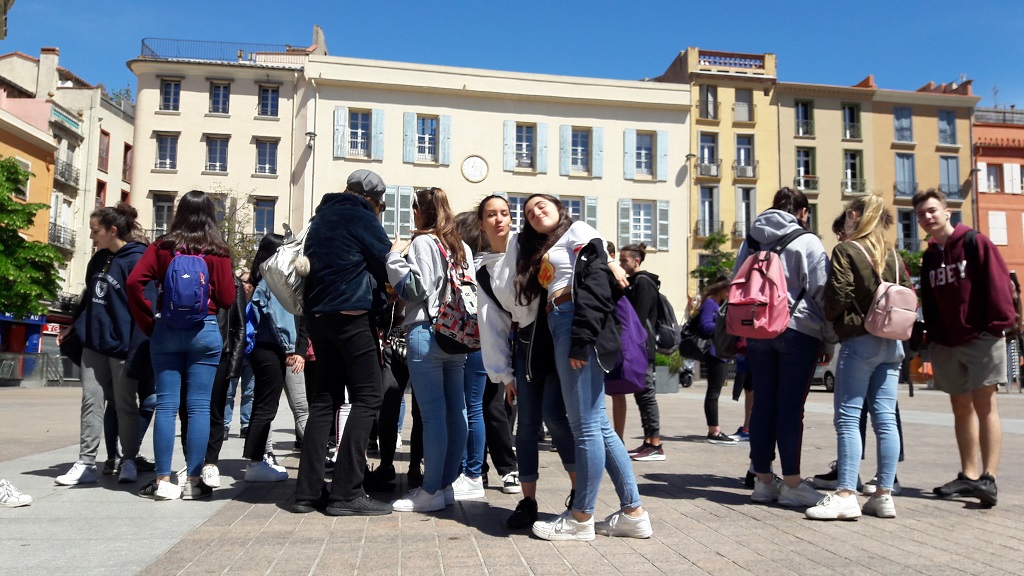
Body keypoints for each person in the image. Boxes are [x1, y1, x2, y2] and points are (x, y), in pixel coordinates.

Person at [515, 194, 652, 541]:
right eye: (528, 212)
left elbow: (595, 282)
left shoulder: (576, 230)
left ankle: (581, 517)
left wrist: (581, 338)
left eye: (542, 205)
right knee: (599, 426)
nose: (535, 212)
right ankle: (633, 513)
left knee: (585, 427)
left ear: (560, 208)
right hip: (562, 321)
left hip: (571, 319)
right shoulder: (555, 242)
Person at [291, 169, 393, 516]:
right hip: (351, 315)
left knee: (324, 400)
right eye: (380, 204)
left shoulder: (320, 217)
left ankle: (306, 493)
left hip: (318, 317)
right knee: (369, 396)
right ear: (372, 200)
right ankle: (347, 492)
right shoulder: (361, 217)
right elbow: (386, 262)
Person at [806, 194, 911, 521]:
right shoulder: (893, 253)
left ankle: (845, 495)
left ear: (854, 215)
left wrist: (833, 317)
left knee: (848, 418)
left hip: (860, 340)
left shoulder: (847, 249)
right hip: (892, 344)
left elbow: (837, 295)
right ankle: (883, 495)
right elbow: (909, 293)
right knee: (885, 419)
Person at [126, 190, 235, 501]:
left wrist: (148, 321)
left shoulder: (162, 246)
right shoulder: (218, 251)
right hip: (205, 330)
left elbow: (134, 283)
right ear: (211, 215)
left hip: (166, 330)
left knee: (166, 405)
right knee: (199, 407)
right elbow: (228, 299)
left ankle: (162, 480)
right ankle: (194, 480)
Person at [475, 195, 577, 528]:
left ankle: (579, 494)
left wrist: (611, 261)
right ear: (481, 223)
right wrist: (503, 374)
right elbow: (492, 324)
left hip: (555, 333)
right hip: (527, 344)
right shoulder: (484, 271)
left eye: (504, 213)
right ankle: (528, 500)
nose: (499, 219)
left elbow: (574, 242)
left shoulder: (527, 243)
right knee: (527, 424)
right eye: (491, 214)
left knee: (555, 417)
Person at [914, 188, 1012, 507]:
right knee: (960, 406)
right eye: (921, 214)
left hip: (982, 337)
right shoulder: (930, 256)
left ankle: (988, 478)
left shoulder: (974, 242)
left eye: (932, 210)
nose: (927, 217)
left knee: (985, 405)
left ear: (947, 212)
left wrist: (996, 326)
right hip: (947, 341)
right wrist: (933, 335)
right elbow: (929, 300)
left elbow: (998, 284)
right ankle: (968, 475)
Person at [738, 187, 833, 509]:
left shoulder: (751, 241)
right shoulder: (807, 241)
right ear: (803, 212)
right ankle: (792, 483)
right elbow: (822, 290)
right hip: (797, 329)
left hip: (756, 330)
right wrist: (828, 337)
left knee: (763, 404)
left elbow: (737, 279)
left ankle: (763, 481)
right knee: (791, 407)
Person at [386, 187, 474, 513]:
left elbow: (415, 288)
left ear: (421, 212)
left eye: (414, 210)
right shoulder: (461, 245)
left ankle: (430, 490)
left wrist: (394, 257)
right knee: (457, 412)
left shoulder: (423, 242)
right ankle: (446, 485)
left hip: (427, 330)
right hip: (457, 333)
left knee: (433, 415)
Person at [56, 203, 148, 486]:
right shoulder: (98, 259)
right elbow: (88, 298)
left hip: (123, 346)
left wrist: (137, 349)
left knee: (125, 404)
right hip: (93, 344)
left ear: (113, 230)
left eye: (96, 231)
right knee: (91, 402)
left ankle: (129, 459)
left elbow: (145, 309)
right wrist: (75, 326)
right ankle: (86, 462)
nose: (92, 236)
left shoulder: (138, 260)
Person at [239, 234, 299, 482]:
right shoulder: (272, 280)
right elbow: (278, 318)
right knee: (266, 406)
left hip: (260, 348)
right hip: (270, 348)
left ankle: (256, 460)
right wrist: (290, 348)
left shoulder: (261, 278)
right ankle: (255, 462)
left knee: (262, 404)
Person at [615, 243, 667, 460]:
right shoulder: (635, 282)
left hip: (642, 346)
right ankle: (648, 442)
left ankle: (655, 444)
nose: (620, 264)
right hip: (639, 345)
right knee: (641, 394)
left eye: (624, 260)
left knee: (646, 395)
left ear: (636, 261)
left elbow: (638, 316)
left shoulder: (643, 282)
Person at [696, 277, 737, 445]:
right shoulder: (710, 304)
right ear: (720, 289)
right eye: (728, 290)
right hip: (714, 353)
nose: (729, 294)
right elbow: (705, 325)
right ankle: (714, 431)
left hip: (720, 351)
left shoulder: (718, 305)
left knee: (715, 391)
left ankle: (714, 429)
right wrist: (725, 327)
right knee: (713, 392)